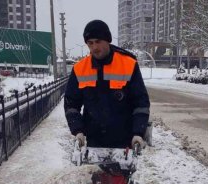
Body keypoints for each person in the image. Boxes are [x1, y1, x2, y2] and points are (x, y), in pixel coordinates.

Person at [64, 20, 150, 149]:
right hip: (94, 140)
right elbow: (71, 104)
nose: (94, 47)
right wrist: (78, 131)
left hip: (125, 140)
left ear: (107, 40)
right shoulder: (79, 69)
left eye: (98, 41)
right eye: (90, 43)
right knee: (97, 170)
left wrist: (138, 132)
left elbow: (141, 102)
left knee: (121, 169)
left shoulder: (128, 64)